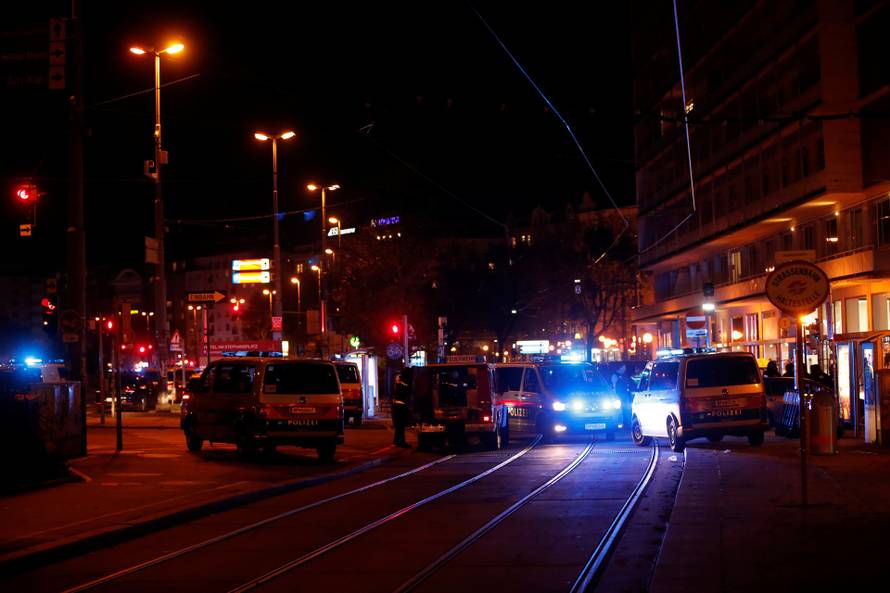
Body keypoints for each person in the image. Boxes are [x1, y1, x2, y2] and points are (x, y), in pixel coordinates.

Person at [391, 369, 412, 448]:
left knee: (399, 425)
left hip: (397, 406)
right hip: (401, 406)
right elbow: (406, 394)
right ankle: (401, 441)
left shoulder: (397, 384)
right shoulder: (403, 385)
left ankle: (396, 441)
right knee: (401, 425)